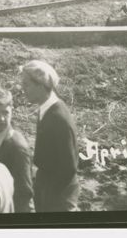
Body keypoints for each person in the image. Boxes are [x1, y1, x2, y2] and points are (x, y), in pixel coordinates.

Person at [20, 60, 79, 212]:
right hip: (47, 185)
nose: (23, 89)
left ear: (40, 85)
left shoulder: (58, 118)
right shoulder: (45, 109)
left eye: (26, 85)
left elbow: (69, 166)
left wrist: (51, 197)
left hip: (59, 196)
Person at [0, 87, 34, 213]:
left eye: (6, 113)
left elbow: (24, 193)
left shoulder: (17, 147)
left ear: (12, 111)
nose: (2, 119)